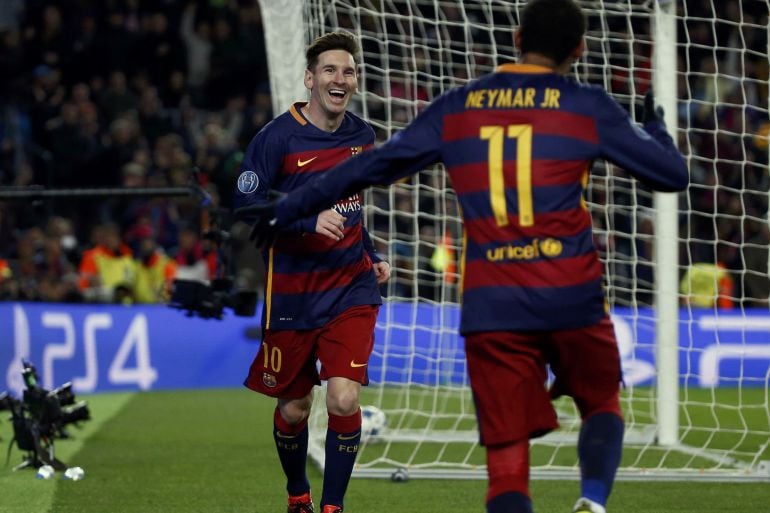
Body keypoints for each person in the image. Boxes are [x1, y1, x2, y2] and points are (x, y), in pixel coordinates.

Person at [248, 2, 688, 512]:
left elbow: (372, 168)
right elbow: (670, 175)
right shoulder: (585, 103)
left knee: (506, 452)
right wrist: (655, 126)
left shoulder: (462, 105)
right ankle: (592, 499)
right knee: (601, 401)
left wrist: (289, 209)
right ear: (579, 49)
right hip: (571, 288)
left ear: (517, 36)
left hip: (493, 301)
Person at [233, 32, 390, 513]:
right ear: (309, 78)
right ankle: (298, 491)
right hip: (293, 294)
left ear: (355, 82)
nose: (338, 79)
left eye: (347, 71)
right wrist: (305, 220)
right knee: (293, 408)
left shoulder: (363, 137)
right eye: (329, 70)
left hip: (350, 287)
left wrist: (371, 250)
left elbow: (352, 208)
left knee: (343, 399)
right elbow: (244, 205)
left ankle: (333, 506)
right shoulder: (276, 138)